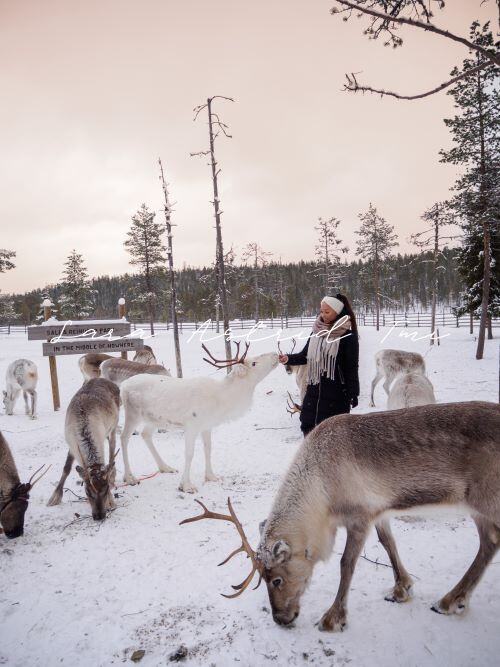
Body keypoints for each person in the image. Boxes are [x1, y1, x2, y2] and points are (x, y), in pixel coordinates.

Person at [279, 294, 360, 436]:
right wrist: (288, 359)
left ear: (338, 312)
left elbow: (351, 367)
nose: (323, 315)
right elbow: (305, 356)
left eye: (327, 312)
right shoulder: (316, 332)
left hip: (336, 396)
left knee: (333, 438)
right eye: (321, 311)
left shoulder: (348, 336)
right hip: (313, 392)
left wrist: (353, 393)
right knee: (308, 431)